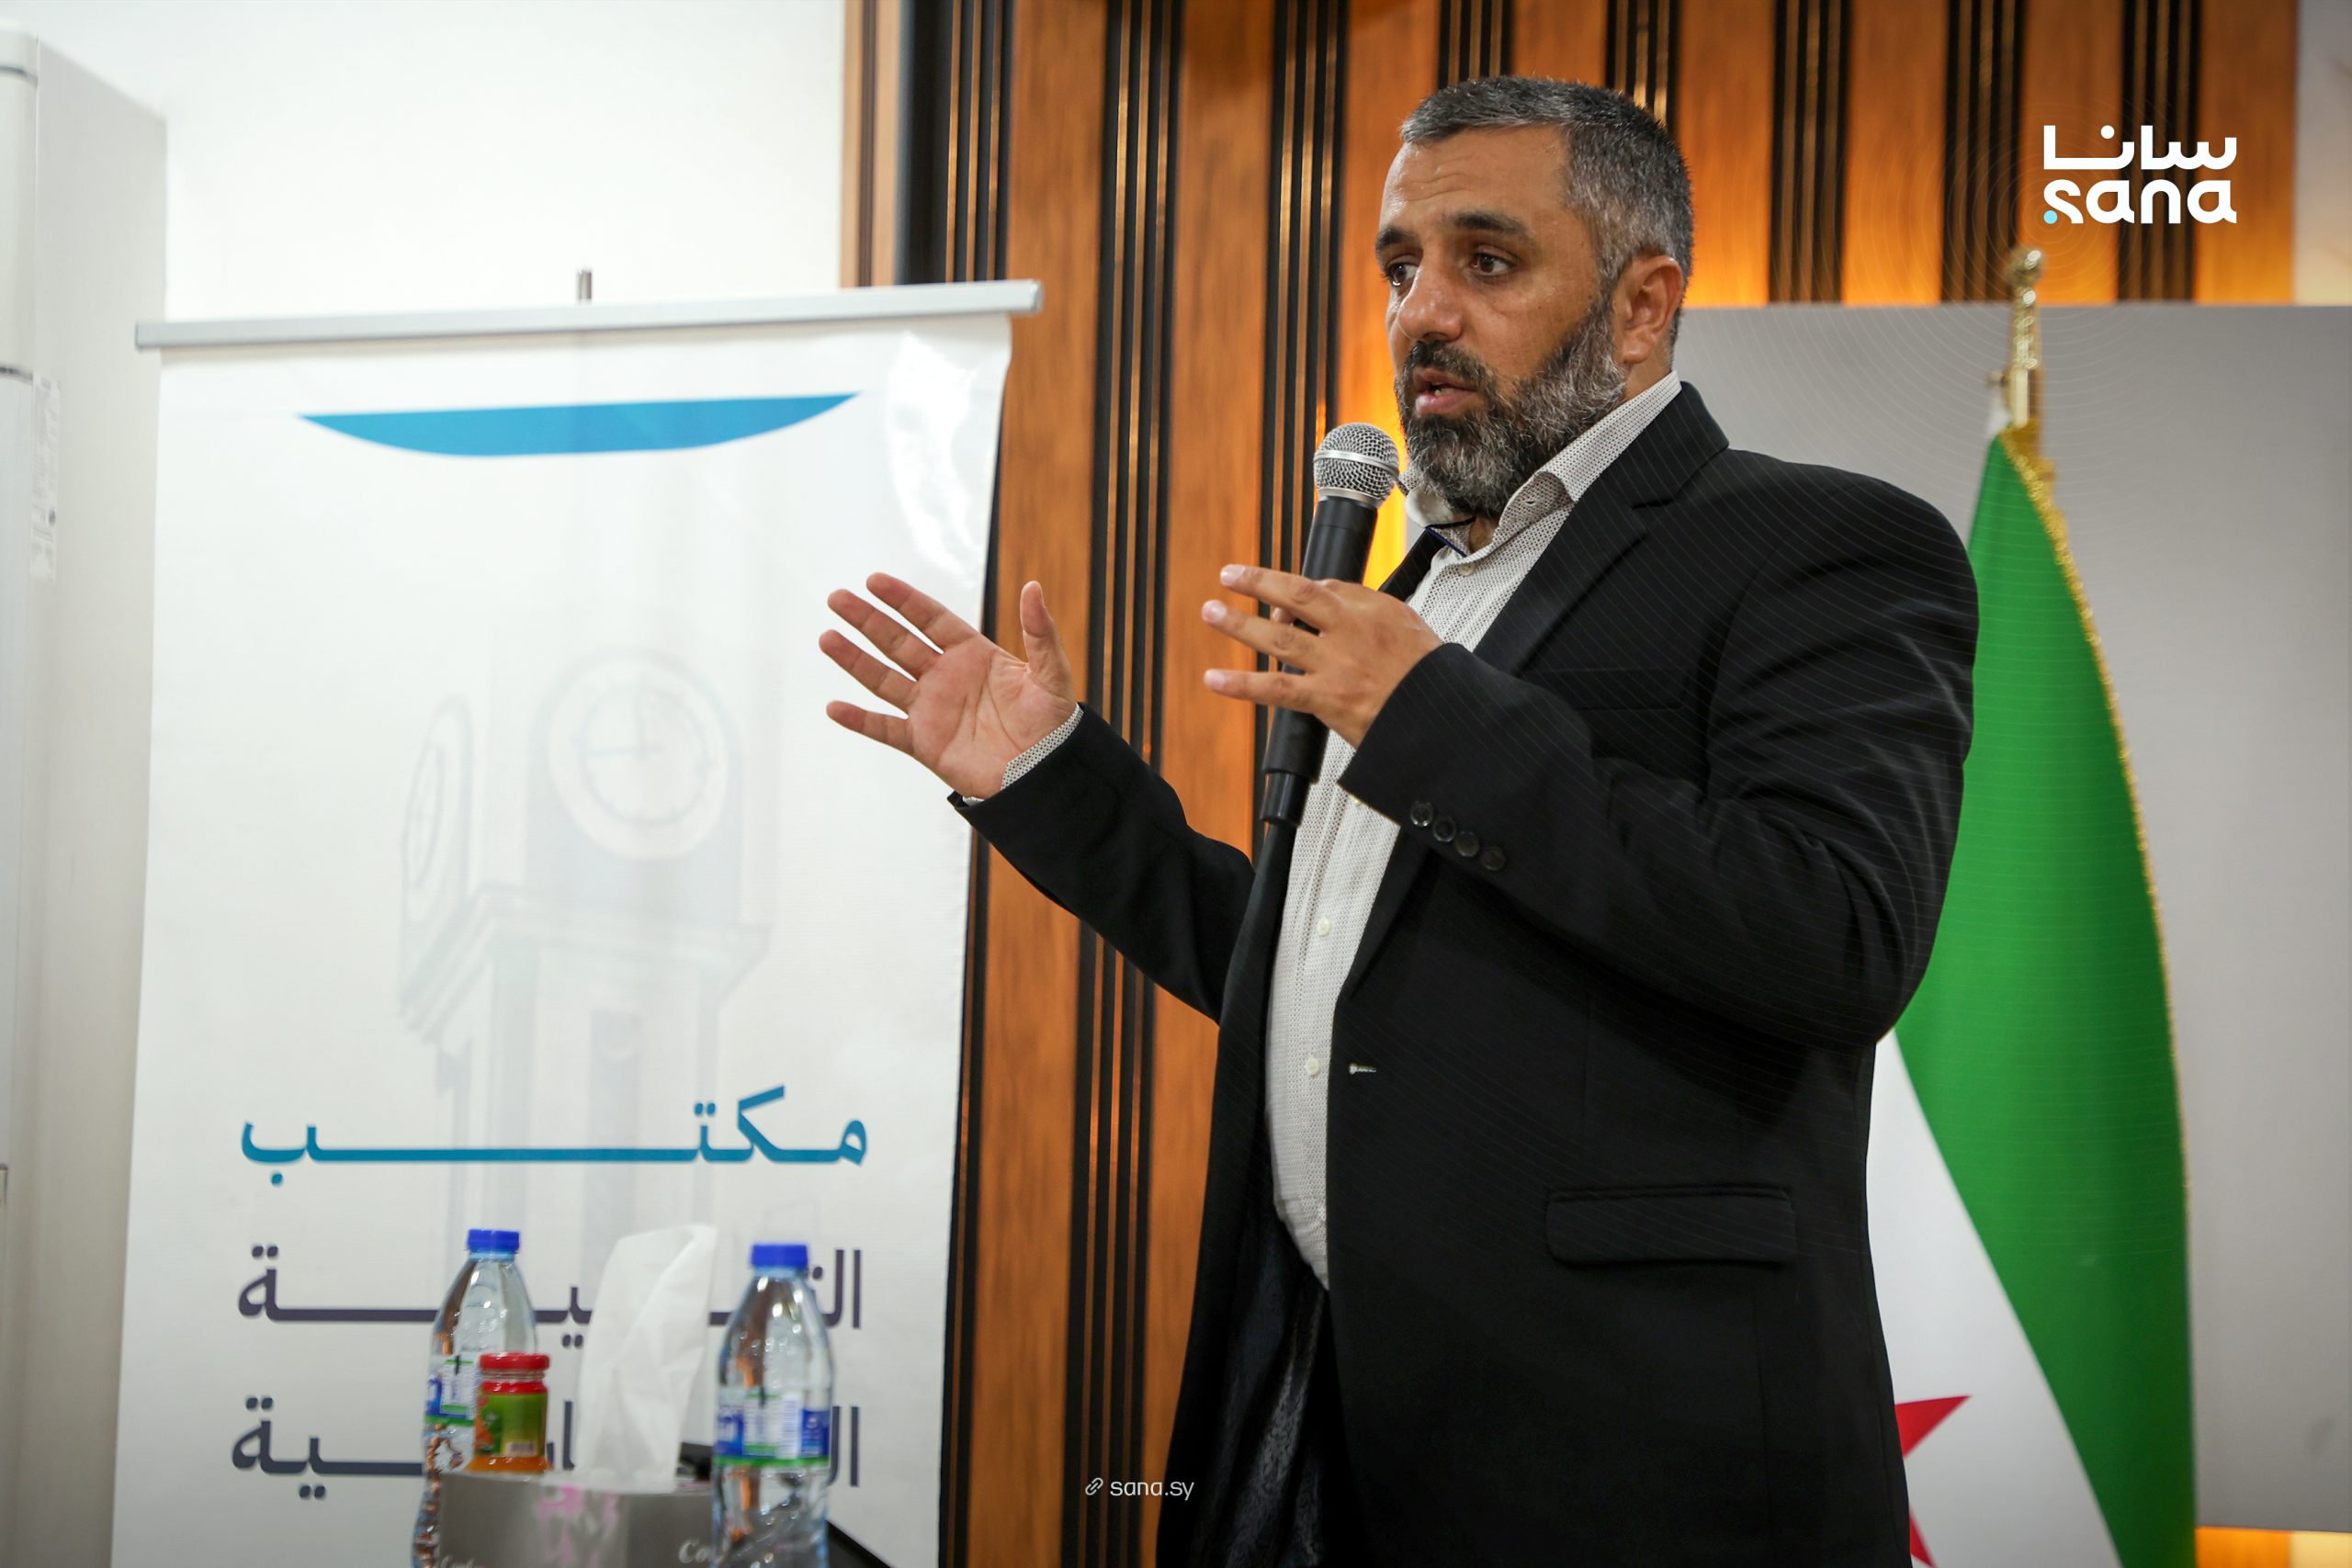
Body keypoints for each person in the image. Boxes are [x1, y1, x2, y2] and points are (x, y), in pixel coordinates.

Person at [820, 77, 1976, 1568]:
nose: (1422, 311)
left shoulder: (1820, 544)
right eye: (1399, 267)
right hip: (1343, 1423)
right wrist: (1055, 781)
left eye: (1486, 261)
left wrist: (1431, 714)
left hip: (1636, 1472)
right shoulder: (1422, 583)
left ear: (1641, 307)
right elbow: (1330, 979)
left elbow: (1835, 933)